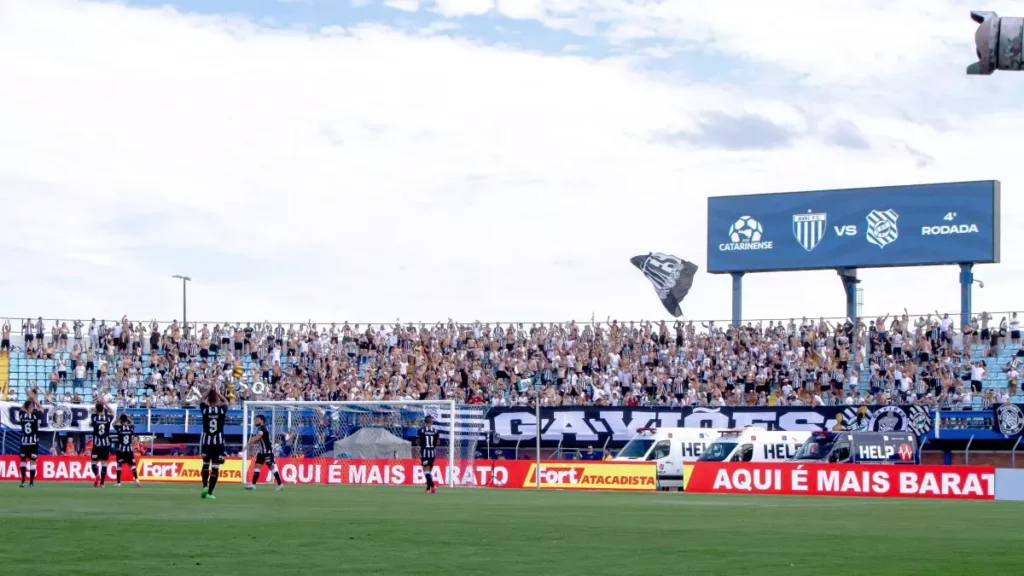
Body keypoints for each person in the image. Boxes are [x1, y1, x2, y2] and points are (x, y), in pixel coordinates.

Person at [200, 387, 228, 500]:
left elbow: (201, 399)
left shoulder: (205, 409)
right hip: (218, 442)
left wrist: (209, 391)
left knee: (205, 464)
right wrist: (218, 393)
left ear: (209, 400)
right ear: (217, 400)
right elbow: (226, 401)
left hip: (206, 442)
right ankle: (210, 493)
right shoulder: (221, 410)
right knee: (215, 468)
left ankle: (204, 487)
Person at [244, 414, 284, 491]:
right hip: (261, 452)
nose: (255, 421)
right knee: (257, 466)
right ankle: (253, 485)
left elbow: (257, 438)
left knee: (271, 467)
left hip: (267, 452)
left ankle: (280, 484)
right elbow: (257, 439)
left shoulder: (263, 428)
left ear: (262, 420)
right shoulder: (260, 428)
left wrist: (248, 444)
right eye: (255, 420)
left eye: (257, 420)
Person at [19, 394, 44, 487]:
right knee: (33, 461)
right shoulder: (35, 416)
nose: (33, 408)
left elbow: (22, 407)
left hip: (24, 442)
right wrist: (34, 399)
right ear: (30, 408)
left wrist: (28, 398)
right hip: (33, 442)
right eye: (32, 407)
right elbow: (41, 408)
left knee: (22, 461)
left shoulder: (21, 416)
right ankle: (31, 482)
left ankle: (22, 481)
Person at [90, 401, 114, 488]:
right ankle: (102, 483)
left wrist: (98, 405)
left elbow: (93, 411)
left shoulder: (94, 417)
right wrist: (105, 404)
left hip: (97, 444)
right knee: (104, 463)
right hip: (106, 444)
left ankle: (97, 474)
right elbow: (112, 412)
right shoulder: (107, 418)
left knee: (93, 463)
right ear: (103, 408)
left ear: (96, 409)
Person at [112, 413, 141, 488]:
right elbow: (132, 423)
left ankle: (118, 483)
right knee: (132, 466)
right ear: (126, 420)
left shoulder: (119, 427)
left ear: (121, 421)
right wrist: (126, 417)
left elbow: (113, 424)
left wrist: (119, 418)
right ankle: (137, 480)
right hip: (129, 450)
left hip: (121, 450)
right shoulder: (131, 427)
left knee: (119, 465)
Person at [416, 414, 440, 494]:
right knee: (429, 471)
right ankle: (428, 489)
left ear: (424, 422)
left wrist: (422, 444)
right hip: (433, 453)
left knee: (426, 471)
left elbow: (418, 441)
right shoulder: (436, 431)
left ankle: (433, 486)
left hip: (425, 453)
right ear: (431, 422)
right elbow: (438, 443)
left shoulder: (421, 430)